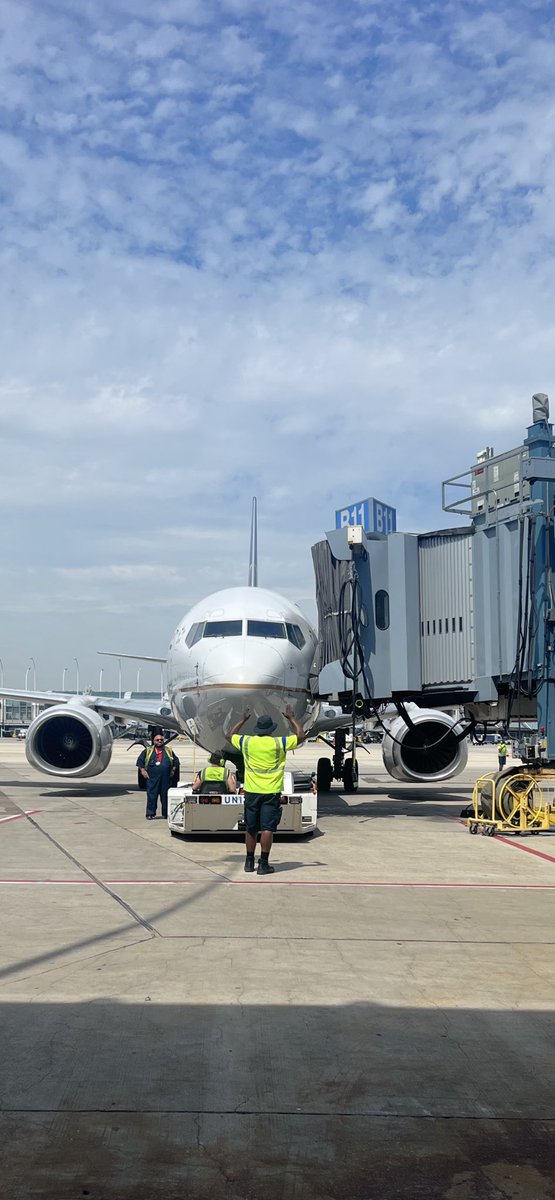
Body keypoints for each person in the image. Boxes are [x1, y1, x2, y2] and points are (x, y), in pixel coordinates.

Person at [225, 705, 306, 876]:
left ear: (257, 729)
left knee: (251, 828)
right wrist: (291, 718)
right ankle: (263, 864)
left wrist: (242, 719)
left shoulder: (247, 742)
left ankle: (248, 862)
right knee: (267, 828)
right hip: (271, 792)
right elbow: (300, 736)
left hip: (252, 792)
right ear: (271, 729)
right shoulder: (279, 742)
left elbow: (229, 735)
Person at [137, 735, 180, 820]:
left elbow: (176, 761)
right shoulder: (148, 751)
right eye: (157, 740)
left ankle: (166, 814)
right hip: (152, 779)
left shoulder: (169, 751)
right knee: (152, 796)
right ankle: (150, 813)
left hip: (165, 779)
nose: (159, 741)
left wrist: (173, 770)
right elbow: (140, 761)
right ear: (154, 741)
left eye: (161, 740)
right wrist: (143, 771)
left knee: (165, 797)